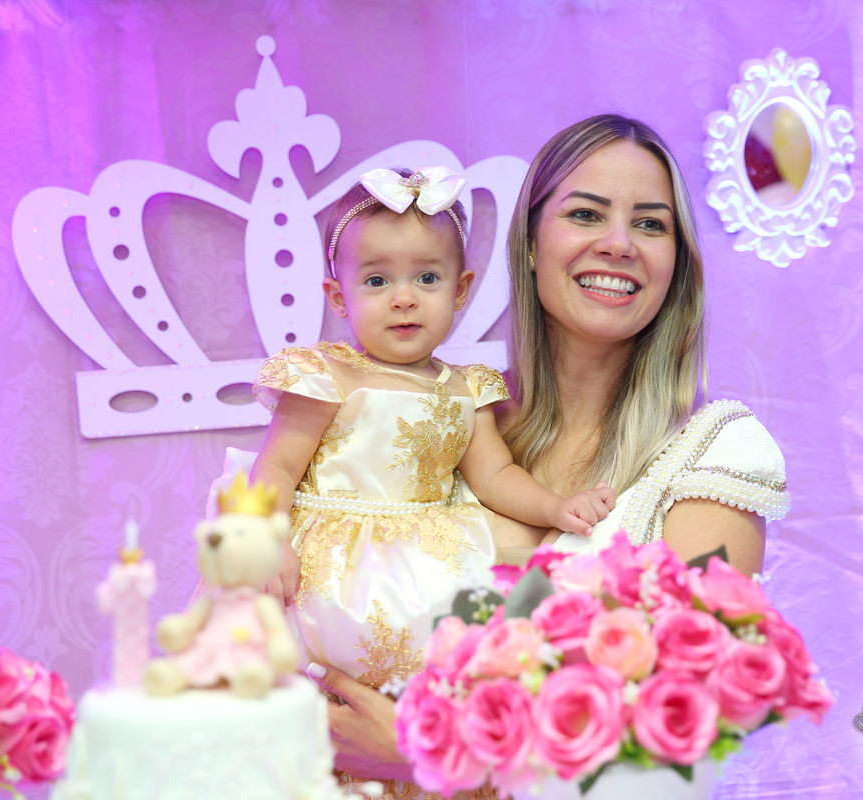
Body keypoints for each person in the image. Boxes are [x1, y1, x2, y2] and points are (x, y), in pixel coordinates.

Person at [309, 115, 792, 796]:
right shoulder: (448, 421)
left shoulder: (714, 458)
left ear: (676, 261)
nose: (620, 243)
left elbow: (674, 762)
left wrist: (425, 751)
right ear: (531, 245)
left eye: (651, 225)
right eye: (587, 213)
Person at [246, 166, 615, 708]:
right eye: (376, 281)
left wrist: (556, 508)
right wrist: (266, 538)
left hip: (424, 567)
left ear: (460, 289)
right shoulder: (324, 376)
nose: (404, 299)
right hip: (331, 562)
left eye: (427, 278)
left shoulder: (467, 388)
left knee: (448, 673)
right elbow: (276, 467)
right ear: (338, 297)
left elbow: (495, 476)